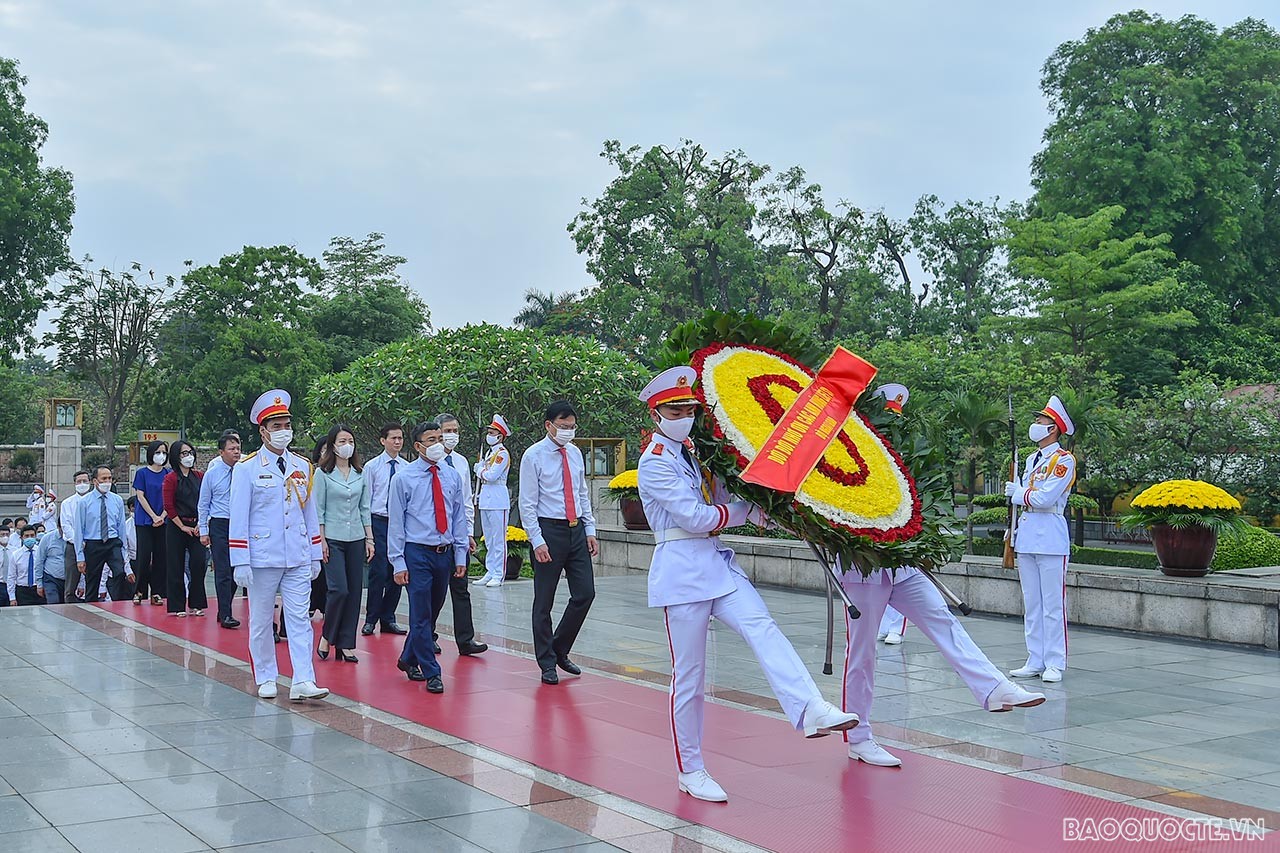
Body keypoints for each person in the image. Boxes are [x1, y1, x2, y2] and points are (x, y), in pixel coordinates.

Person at [636, 367, 859, 803]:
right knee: (690, 679)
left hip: (718, 567)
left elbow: (727, 502)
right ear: (656, 414)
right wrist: (742, 510)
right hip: (681, 575)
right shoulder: (654, 464)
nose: (684, 415)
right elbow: (698, 519)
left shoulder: (699, 455)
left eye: (689, 408)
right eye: (674, 409)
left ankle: (810, 707)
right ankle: (692, 769)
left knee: (764, 627)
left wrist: (779, 514)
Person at [229, 389, 328, 702]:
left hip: (297, 554)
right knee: (260, 620)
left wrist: (314, 553)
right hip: (263, 557)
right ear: (263, 431)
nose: (283, 430)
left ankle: (303, 679)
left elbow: (310, 514)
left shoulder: (302, 466)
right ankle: (267, 676)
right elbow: (238, 516)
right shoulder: (247, 469)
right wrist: (239, 560)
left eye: (286, 423)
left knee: (299, 619)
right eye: (276, 426)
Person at [519, 401, 598, 685]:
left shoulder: (575, 453)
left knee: (585, 593)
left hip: (576, 529)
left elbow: (582, 492)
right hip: (548, 531)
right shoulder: (534, 455)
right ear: (548, 425)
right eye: (562, 427)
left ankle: (560, 648)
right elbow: (527, 503)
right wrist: (537, 540)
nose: (567, 431)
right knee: (544, 601)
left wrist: (590, 529)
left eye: (571, 427)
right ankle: (547, 662)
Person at [388, 421, 468, 695]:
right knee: (420, 614)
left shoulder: (451, 475)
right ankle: (432, 670)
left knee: (432, 612)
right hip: (417, 552)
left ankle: (408, 657)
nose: (437, 444)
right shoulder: (403, 478)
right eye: (430, 440)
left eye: (439, 438)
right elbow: (396, 523)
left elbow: (458, 517)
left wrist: (461, 555)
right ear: (418, 446)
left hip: (443, 553)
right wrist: (398, 561)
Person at [1006, 395, 1076, 684]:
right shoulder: (1032, 459)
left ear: (1053, 429)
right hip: (1027, 536)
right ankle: (1035, 658)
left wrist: (1018, 493)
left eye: (1041, 421)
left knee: (1052, 605)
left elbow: (1046, 498)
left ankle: (1055, 662)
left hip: (1050, 537)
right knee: (1032, 603)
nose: (1035, 425)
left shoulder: (1063, 461)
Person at [314, 424, 372, 664]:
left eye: (350, 440)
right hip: (333, 538)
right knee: (339, 590)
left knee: (355, 591)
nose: (347, 445)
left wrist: (370, 538)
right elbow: (318, 510)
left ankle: (347, 643)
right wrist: (321, 541)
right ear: (333, 445)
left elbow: (364, 508)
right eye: (342, 441)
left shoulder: (360, 473)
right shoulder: (323, 474)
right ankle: (328, 635)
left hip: (356, 537)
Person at [434, 412, 487, 656]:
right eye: (447, 431)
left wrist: (468, 532)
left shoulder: (462, 462)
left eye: (455, 430)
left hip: (458, 534)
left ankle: (465, 640)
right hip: (435, 536)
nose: (451, 435)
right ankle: (427, 635)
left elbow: (466, 499)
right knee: (435, 591)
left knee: (461, 587)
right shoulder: (431, 462)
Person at [362, 423, 409, 638]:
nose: (397, 442)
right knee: (378, 572)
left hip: (399, 523)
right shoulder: (372, 467)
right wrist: (368, 533)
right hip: (378, 520)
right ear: (383, 441)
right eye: (393, 438)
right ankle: (371, 619)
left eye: (400, 438)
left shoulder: (406, 467)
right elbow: (366, 499)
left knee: (396, 571)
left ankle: (388, 617)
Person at [199, 430, 243, 628]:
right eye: (232, 449)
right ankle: (226, 613)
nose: (236, 452)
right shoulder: (212, 473)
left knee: (237, 570)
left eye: (238, 448)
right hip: (219, 523)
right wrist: (203, 530)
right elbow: (204, 503)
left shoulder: (245, 470)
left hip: (240, 524)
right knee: (223, 570)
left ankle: (223, 608)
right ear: (221, 452)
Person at [74, 465, 133, 603]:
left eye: (109, 478)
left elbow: (121, 527)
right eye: (104, 478)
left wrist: (124, 551)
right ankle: (91, 609)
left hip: (112, 542)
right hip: (94, 543)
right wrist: (80, 557)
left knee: (119, 572)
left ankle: (116, 602)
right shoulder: (84, 502)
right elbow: (79, 530)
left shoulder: (117, 500)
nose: (107, 481)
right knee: (92, 580)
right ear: (95, 481)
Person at [163, 440, 207, 617]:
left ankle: (197, 603)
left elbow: (205, 501)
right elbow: (168, 505)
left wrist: (200, 524)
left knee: (198, 563)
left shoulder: (200, 476)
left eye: (190, 452)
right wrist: (181, 526)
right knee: (175, 565)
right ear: (176, 457)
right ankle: (177, 605)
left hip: (197, 525)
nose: (188, 456)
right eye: (183, 453)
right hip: (176, 525)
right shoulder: (170, 478)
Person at [473, 414, 512, 587]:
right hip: (486, 499)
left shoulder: (502, 454)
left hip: (497, 499)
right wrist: (481, 469)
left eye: (493, 431)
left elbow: (492, 475)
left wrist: (479, 470)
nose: (489, 434)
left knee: (498, 539)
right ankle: (490, 570)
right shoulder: (489, 453)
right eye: (489, 431)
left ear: (500, 435)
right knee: (488, 538)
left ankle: (499, 574)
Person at [133, 439, 170, 606]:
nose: (161, 455)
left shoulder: (168, 473)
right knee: (144, 557)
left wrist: (162, 516)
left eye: (164, 452)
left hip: (163, 520)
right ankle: (139, 591)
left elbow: (171, 498)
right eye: (158, 452)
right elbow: (140, 496)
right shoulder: (142, 473)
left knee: (161, 557)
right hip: (145, 521)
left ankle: (157, 592)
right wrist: (153, 516)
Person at [60, 470, 91, 602]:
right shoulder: (67, 503)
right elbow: (66, 527)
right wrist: (79, 542)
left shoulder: (96, 501)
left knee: (93, 581)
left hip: (93, 546)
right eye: (79, 481)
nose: (82, 484)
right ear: (74, 484)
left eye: (85, 481)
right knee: (71, 584)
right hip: (73, 547)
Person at [6, 525, 43, 605]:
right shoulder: (16, 555)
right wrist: (12, 598)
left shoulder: (40, 552)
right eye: (26, 536)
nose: (29, 538)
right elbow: (11, 577)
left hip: (39, 589)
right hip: (23, 591)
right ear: (22, 538)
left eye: (32, 535)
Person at [36, 516, 67, 604]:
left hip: (69, 579)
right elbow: (39, 561)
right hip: (51, 577)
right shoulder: (47, 538)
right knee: (54, 603)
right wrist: (39, 584)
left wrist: (81, 584)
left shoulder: (73, 538)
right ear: (58, 526)